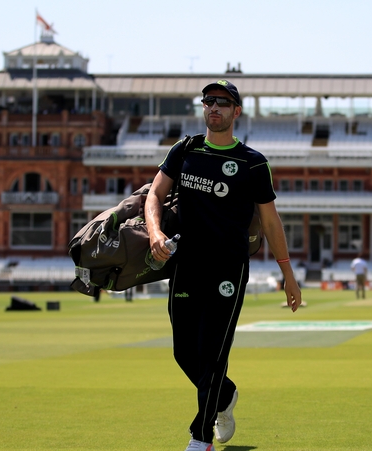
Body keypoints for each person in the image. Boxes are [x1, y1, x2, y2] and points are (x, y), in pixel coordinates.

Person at [145, 79, 303, 451]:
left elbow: (270, 221)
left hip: (228, 270)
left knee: (214, 353)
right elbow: (155, 193)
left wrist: (288, 275)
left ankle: (200, 438)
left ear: (236, 111)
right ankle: (226, 394)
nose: (214, 107)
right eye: (208, 101)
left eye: (222, 102)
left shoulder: (252, 163)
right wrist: (154, 233)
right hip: (186, 266)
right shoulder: (184, 151)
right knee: (185, 353)